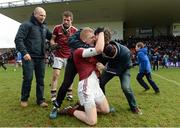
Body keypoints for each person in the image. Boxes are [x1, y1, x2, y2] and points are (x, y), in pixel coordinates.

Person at [49, 27, 112, 119]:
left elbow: (102, 58)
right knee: (67, 83)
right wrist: (88, 46)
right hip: (74, 61)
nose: (98, 40)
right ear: (96, 34)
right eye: (100, 38)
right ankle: (56, 106)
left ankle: (98, 104)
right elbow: (71, 41)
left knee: (100, 81)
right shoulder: (85, 33)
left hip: (86, 64)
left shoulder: (97, 43)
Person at [14, 7, 52, 107]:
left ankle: (40, 100)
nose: (43, 17)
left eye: (44, 15)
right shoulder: (26, 25)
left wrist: (61, 32)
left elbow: (52, 36)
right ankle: (24, 99)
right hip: (29, 57)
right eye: (41, 15)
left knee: (41, 80)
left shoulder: (44, 27)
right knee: (28, 78)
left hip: (41, 58)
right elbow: (18, 39)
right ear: (35, 14)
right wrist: (24, 53)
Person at [98, 40, 142, 115]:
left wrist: (104, 68)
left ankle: (134, 107)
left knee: (126, 87)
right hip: (110, 67)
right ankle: (103, 105)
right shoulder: (106, 46)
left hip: (123, 69)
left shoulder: (126, 53)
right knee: (100, 82)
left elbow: (118, 72)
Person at [50, 11, 78, 102]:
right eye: (64, 20)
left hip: (70, 56)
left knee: (69, 77)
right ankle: (53, 95)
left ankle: (69, 94)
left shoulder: (75, 30)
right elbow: (52, 40)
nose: (66, 21)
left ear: (71, 21)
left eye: (68, 20)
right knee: (56, 75)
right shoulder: (57, 28)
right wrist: (54, 44)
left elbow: (77, 43)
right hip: (58, 55)